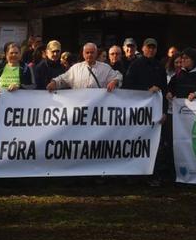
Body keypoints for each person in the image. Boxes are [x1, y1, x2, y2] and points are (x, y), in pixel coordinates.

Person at [123, 38, 168, 185]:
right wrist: (146, 91)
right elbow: (128, 86)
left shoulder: (160, 66)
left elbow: (165, 91)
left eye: (153, 48)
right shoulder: (135, 65)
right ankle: (133, 175)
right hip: (138, 112)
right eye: (148, 47)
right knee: (136, 142)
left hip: (155, 113)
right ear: (142, 48)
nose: (151, 50)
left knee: (154, 145)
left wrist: (164, 111)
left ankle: (152, 175)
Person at [48, 43, 121, 91]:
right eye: (87, 52)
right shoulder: (75, 68)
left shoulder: (105, 68)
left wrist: (114, 81)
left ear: (96, 54)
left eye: (92, 52)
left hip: (98, 108)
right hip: (80, 108)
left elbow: (118, 76)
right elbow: (63, 79)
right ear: (83, 54)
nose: (89, 55)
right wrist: (54, 82)